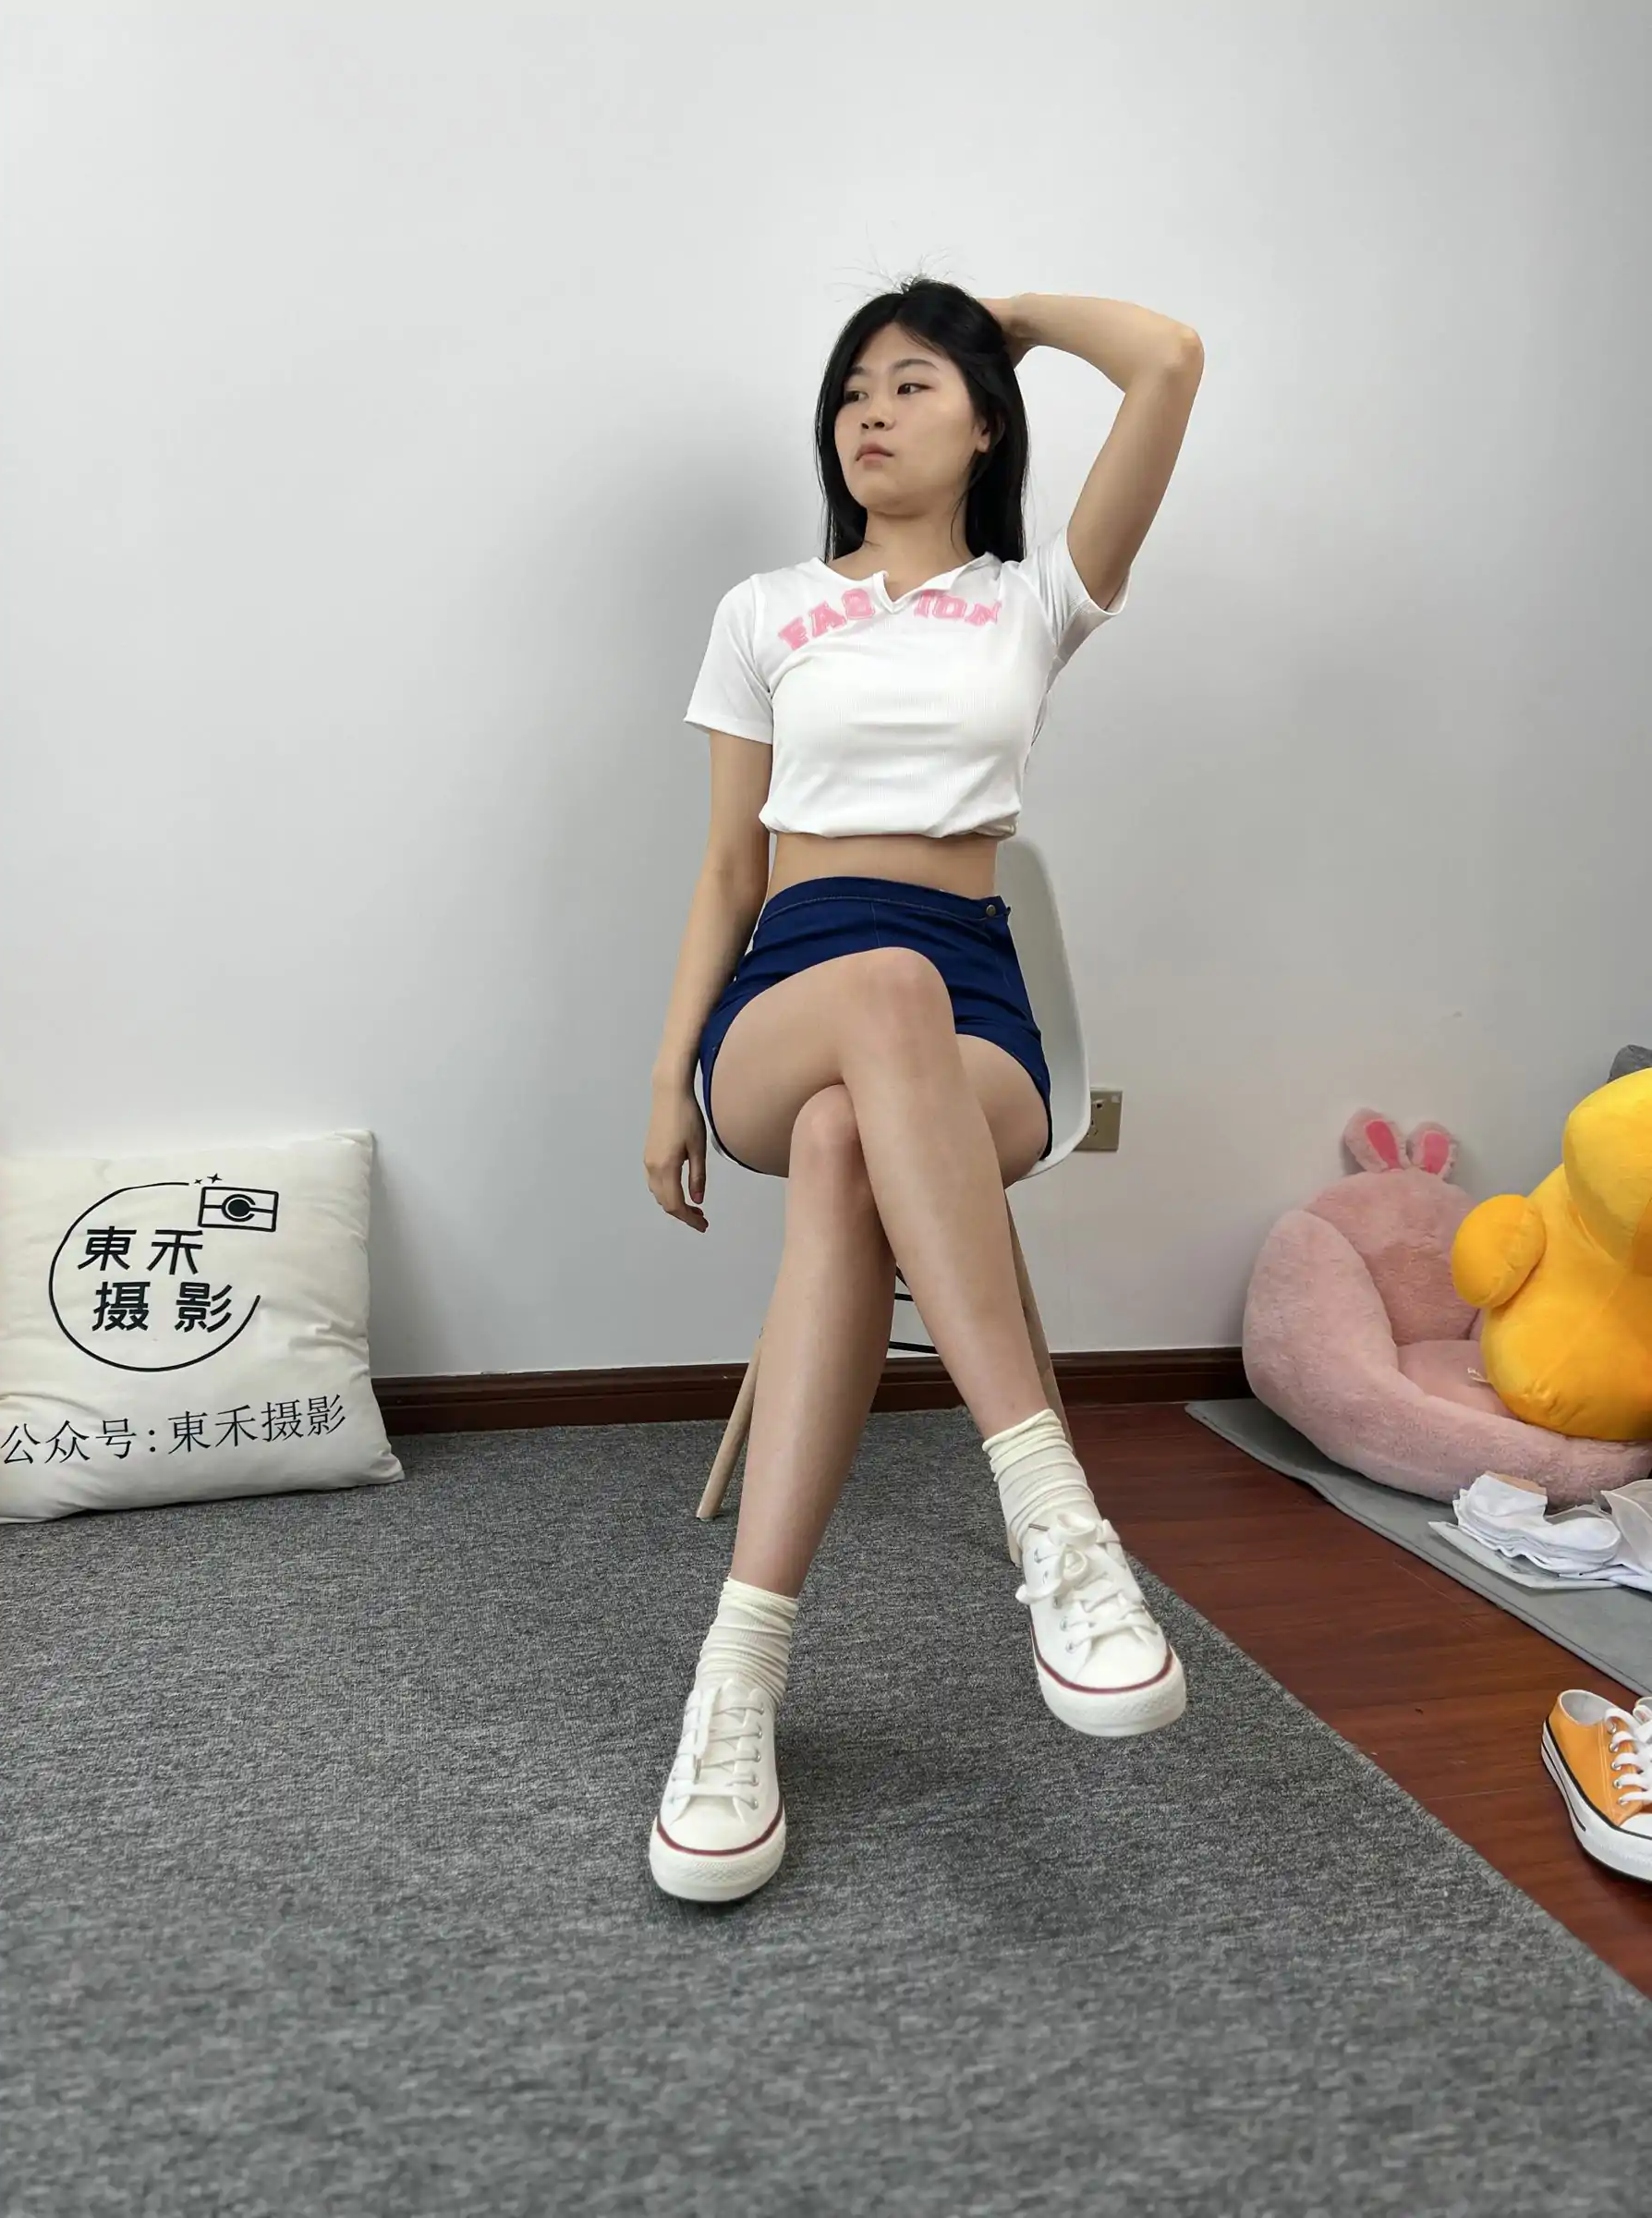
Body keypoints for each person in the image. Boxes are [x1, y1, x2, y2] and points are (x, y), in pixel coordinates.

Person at [643, 277, 1205, 1903]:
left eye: (909, 385)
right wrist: (667, 1077)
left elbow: (1169, 360)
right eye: (850, 392)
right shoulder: (764, 609)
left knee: (848, 1141)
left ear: (986, 425)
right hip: (793, 984)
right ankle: (1053, 1514)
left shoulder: (1036, 599)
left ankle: (737, 1678)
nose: (869, 413)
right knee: (863, 1012)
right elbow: (728, 867)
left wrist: (1001, 318)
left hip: (976, 1007)